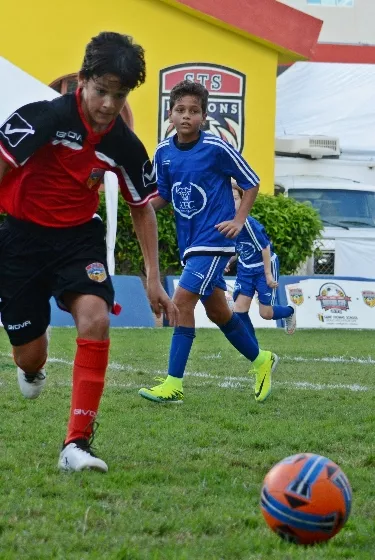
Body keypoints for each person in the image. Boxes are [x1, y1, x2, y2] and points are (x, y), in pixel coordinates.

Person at [0, 31, 177, 473]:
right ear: (83, 80)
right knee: (30, 355)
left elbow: (142, 210)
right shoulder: (41, 117)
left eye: (119, 96)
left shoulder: (124, 144)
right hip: (20, 241)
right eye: (101, 91)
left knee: (96, 320)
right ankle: (30, 366)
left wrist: (153, 278)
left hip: (79, 239)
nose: (108, 105)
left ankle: (76, 444)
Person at [138, 80, 278, 405]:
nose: (186, 116)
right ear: (170, 114)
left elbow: (252, 182)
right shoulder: (163, 152)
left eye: (194, 111)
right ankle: (261, 361)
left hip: (215, 241)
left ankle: (173, 383)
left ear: (203, 116)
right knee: (219, 313)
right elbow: (162, 195)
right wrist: (141, 207)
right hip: (190, 244)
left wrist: (239, 220)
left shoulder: (216, 148)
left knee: (181, 303)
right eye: (180, 110)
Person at [226, 182, 296, 337]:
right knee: (239, 309)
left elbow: (265, 247)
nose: (232, 203)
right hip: (245, 268)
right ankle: (254, 350)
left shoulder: (249, 224)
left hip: (264, 267)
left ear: (243, 201)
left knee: (266, 313)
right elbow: (238, 249)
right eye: (228, 199)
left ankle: (289, 311)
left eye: (236, 199)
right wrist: (227, 262)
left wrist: (268, 275)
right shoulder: (227, 223)